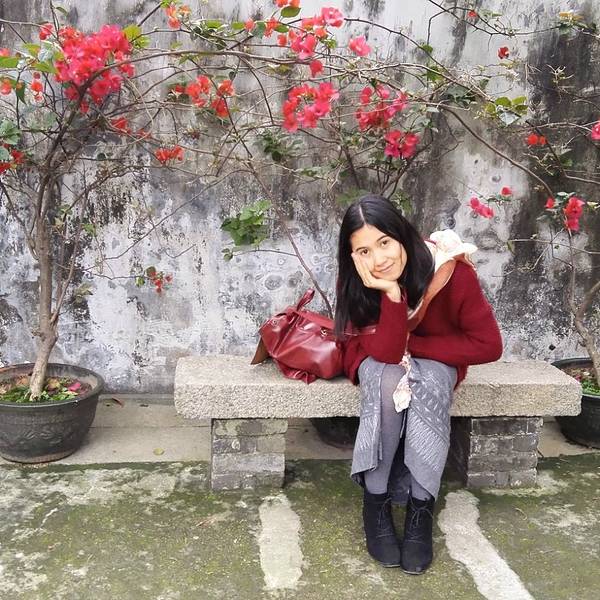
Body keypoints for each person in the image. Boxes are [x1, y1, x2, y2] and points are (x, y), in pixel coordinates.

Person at [334, 194, 502, 574]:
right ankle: (375, 501)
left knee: (430, 381)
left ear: (401, 235)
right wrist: (391, 294)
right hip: (377, 355)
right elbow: (387, 352)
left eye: (384, 242)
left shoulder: (448, 270)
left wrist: (417, 347)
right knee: (386, 378)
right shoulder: (359, 277)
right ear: (353, 255)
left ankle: (420, 507)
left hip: (438, 357)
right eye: (364, 250)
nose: (379, 259)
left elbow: (489, 345)